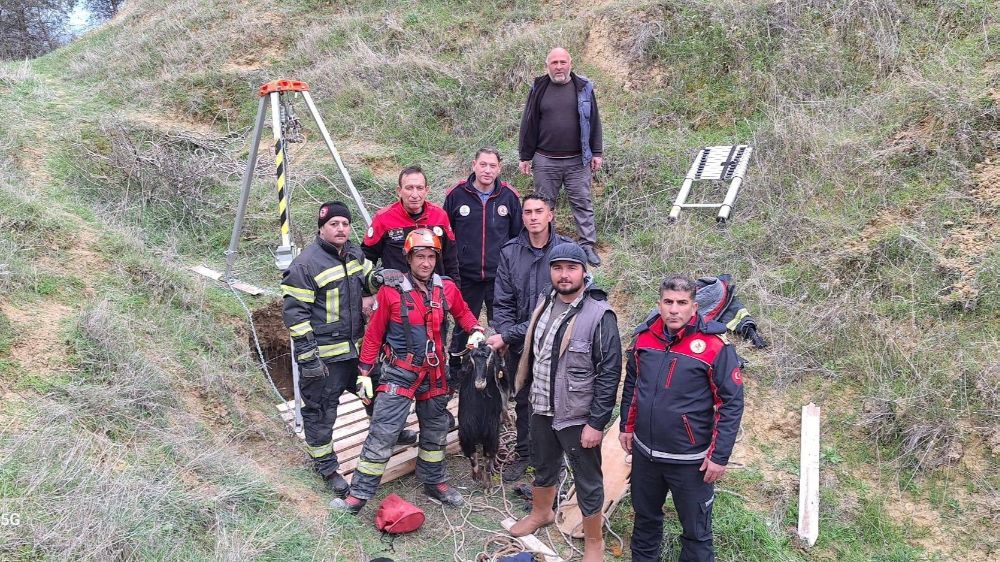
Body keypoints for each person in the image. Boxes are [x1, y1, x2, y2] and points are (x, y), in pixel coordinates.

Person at [331, 229, 486, 514]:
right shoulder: (391, 291)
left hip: (435, 373)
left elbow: (463, 313)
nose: (425, 263)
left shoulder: (446, 288)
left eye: (430, 257)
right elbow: (374, 335)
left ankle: (434, 481)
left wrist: (475, 330)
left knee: (435, 431)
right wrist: (364, 372)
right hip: (399, 373)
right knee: (383, 433)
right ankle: (358, 495)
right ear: (408, 258)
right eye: (419, 257)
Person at [502, 242, 621, 562]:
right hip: (541, 404)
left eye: (571, 268)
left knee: (587, 478)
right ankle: (542, 512)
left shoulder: (600, 315)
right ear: (550, 271)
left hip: (576, 414)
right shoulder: (544, 302)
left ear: (584, 271)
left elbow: (610, 373)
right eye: (558, 268)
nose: (564, 275)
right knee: (543, 464)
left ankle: (593, 541)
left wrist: (596, 423)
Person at [619, 275, 745, 562]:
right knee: (645, 520)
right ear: (659, 305)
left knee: (696, 532)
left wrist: (720, 456)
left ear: (694, 307)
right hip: (645, 454)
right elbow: (632, 385)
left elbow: (731, 402)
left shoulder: (715, 346)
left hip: (691, 462)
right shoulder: (643, 338)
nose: (674, 309)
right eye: (668, 302)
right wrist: (627, 427)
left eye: (681, 303)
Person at [280, 201, 378, 498]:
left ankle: (390, 432)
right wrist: (309, 358)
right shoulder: (305, 265)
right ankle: (326, 467)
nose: (341, 229)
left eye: (345, 224)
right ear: (321, 228)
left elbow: (367, 280)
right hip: (324, 358)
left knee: (378, 390)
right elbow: (295, 315)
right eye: (334, 224)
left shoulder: (354, 252)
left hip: (355, 351)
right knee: (321, 413)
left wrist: (381, 279)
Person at [486, 194, 573, 481]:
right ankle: (525, 455)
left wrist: (508, 333)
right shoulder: (511, 251)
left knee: (555, 400)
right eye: (527, 212)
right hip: (519, 344)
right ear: (521, 217)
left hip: (556, 341)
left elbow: (560, 306)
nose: (533, 217)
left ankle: (554, 460)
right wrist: (506, 335)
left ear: (551, 214)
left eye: (539, 211)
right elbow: (503, 300)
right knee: (523, 398)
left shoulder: (566, 252)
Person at [517, 47, 604, 266]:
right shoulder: (539, 87)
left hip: (577, 161)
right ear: (547, 66)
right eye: (554, 63)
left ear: (570, 64)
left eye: (562, 62)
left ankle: (587, 246)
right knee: (544, 206)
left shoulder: (583, 87)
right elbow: (528, 122)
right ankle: (547, 246)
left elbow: (594, 121)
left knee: (582, 203)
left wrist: (597, 152)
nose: (559, 67)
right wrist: (525, 155)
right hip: (545, 160)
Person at [443, 147, 522, 366]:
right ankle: (457, 372)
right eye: (483, 164)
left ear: (499, 169)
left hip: (500, 278)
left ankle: (504, 372)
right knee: (463, 326)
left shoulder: (509, 197)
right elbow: (445, 237)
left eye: (492, 166)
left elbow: (518, 238)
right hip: (466, 276)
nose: (487, 170)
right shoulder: (456, 195)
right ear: (474, 165)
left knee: (503, 327)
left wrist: (513, 272)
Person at [363, 165, 461, 285]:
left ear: (426, 190)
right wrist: (369, 291)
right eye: (409, 188)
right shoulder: (383, 218)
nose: (415, 194)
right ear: (399, 191)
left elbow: (450, 259)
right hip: (397, 294)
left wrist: (454, 290)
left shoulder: (440, 216)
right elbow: (366, 258)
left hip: (434, 294)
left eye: (419, 188)